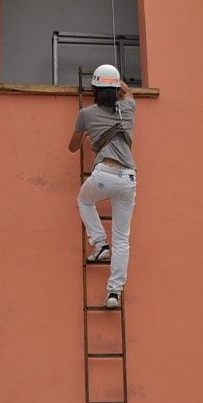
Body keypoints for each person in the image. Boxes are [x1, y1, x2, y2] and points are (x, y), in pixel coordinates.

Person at [68, 64, 137, 309]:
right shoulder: (128, 108)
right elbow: (128, 93)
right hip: (128, 178)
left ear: (94, 89)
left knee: (84, 201)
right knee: (123, 239)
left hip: (104, 173)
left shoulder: (87, 114)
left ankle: (99, 244)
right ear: (116, 87)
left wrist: (87, 135)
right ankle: (114, 293)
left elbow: (73, 147)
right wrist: (117, 83)